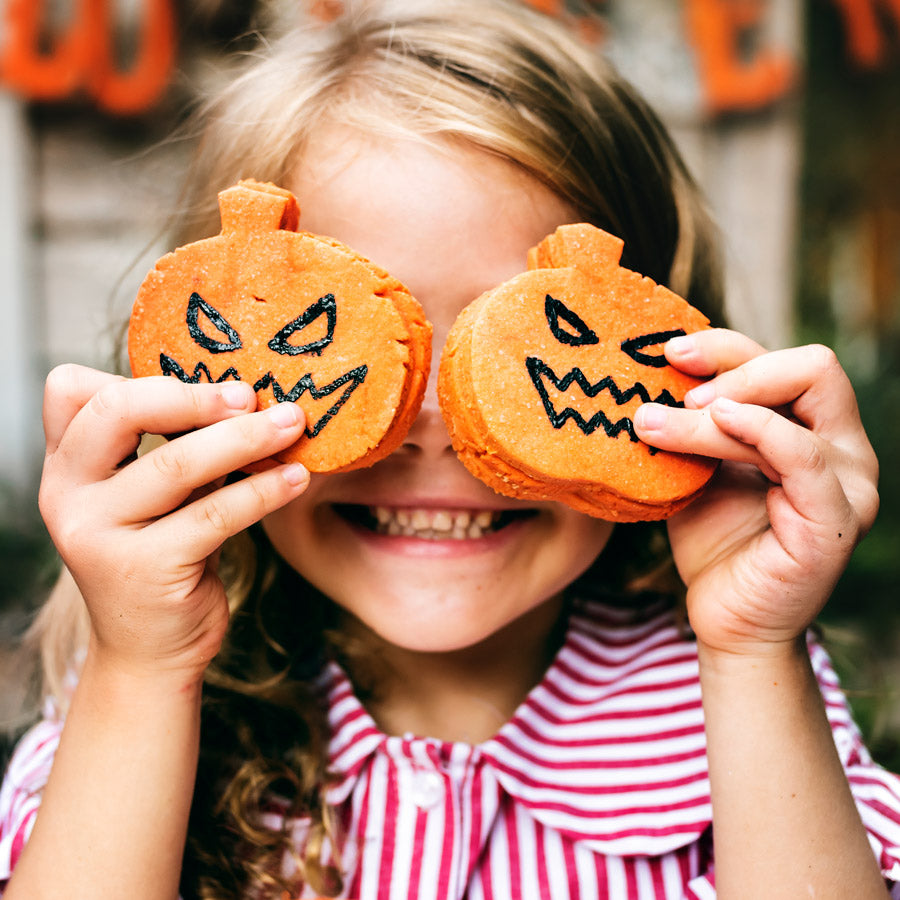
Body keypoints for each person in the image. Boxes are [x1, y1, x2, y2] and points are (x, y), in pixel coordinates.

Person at [2, 1, 900, 897]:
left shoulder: (749, 698)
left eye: (509, 352)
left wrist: (752, 654)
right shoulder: (142, 701)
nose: (434, 427)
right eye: (351, 342)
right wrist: (142, 673)